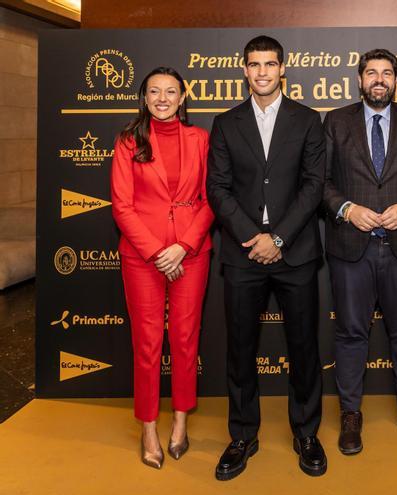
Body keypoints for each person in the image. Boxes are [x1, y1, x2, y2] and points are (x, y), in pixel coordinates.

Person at [207, 35, 326, 480]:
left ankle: (306, 433)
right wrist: (251, 237)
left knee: (304, 348)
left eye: (269, 64)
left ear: (282, 69)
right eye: (254, 64)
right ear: (244, 70)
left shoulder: (308, 119)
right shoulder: (226, 123)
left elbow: (314, 185)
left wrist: (277, 237)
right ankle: (242, 435)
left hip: (295, 252)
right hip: (243, 254)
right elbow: (217, 188)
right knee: (240, 350)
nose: (262, 72)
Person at [322, 48, 397, 455]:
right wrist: (347, 208)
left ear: (396, 80)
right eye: (371, 72)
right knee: (351, 333)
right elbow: (319, 180)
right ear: (359, 79)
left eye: (387, 73)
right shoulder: (336, 121)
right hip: (350, 248)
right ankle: (350, 414)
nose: (379, 79)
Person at [110, 66, 214, 469]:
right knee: (147, 343)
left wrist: (183, 246)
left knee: (186, 340)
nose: (163, 99)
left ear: (183, 97)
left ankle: (181, 420)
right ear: (144, 97)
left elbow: (211, 199)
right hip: (143, 257)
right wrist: (158, 252)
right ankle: (149, 426)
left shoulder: (200, 139)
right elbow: (122, 206)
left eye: (171, 91)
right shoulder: (128, 141)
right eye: (154, 91)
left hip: (191, 253)